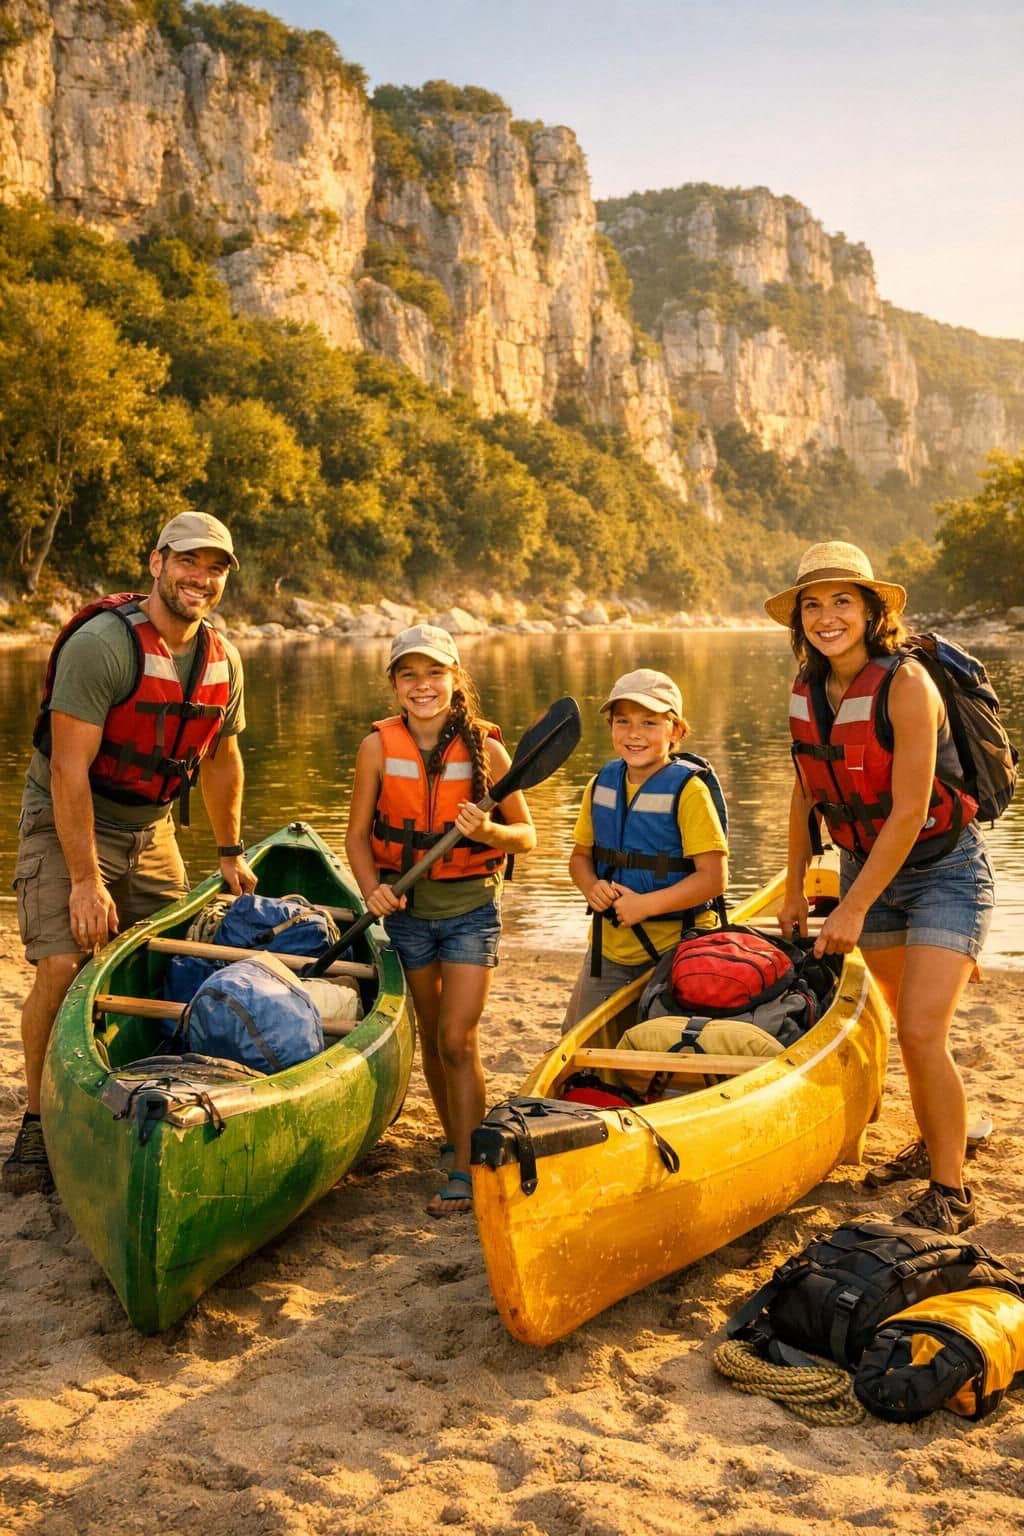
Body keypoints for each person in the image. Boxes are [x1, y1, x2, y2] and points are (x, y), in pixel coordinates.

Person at [4, 511, 258, 1196]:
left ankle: (133, 1090)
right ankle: (34, 1120)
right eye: (187, 563)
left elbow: (223, 762)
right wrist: (85, 881)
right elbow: (67, 773)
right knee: (61, 962)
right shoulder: (103, 647)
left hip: (152, 831)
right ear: (156, 563)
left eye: (214, 569)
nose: (200, 579)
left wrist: (230, 852)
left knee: (164, 966)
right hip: (68, 820)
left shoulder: (222, 659)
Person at [768, 541, 995, 1234]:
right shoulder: (808, 690)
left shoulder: (907, 684)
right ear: (799, 618)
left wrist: (854, 904)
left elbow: (906, 809)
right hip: (871, 874)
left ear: (872, 611)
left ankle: (950, 1191)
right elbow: (807, 791)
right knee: (909, 1029)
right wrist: (794, 887)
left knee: (924, 1032)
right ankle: (937, 1138)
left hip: (944, 872)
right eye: (813, 603)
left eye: (843, 601)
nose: (827, 616)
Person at [345, 625, 536, 1218]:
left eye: (434, 674)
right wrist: (372, 890)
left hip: (470, 911)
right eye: (409, 675)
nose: (422, 686)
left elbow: (526, 836)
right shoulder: (377, 747)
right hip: (406, 915)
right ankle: (457, 1132)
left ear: (455, 680)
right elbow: (355, 838)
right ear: (395, 685)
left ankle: (465, 1166)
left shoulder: (490, 750)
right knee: (432, 1037)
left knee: (458, 1037)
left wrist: (488, 832)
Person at [562, 668, 729, 1030]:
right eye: (623, 721)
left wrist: (645, 905)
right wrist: (591, 886)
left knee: (664, 1046)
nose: (634, 734)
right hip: (608, 951)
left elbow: (714, 879)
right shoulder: (599, 785)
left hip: (677, 950)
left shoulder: (689, 792)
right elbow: (579, 858)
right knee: (575, 1041)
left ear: (677, 731)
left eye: (650, 722)